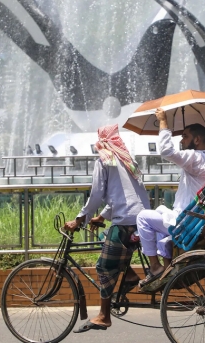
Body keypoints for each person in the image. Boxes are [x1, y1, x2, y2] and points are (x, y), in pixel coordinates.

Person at [65, 124, 150, 333]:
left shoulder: (105, 160)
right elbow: (121, 195)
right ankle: (129, 275)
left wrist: (79, 219)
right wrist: (101, 217)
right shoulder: (126, 159)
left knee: (103, 266)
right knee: (106, 236)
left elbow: (96, 195)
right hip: (140, 219)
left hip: (125, 223)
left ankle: (104, 316)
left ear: (101, 142)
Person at [136, 107, 205, 287]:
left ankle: (154, 267)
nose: (181, 141)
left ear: (197, 140)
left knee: (143, 218)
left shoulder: (196, 158)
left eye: (184, 136)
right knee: (161, 222)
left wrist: (163, 122)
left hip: (188, 223)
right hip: (199, 221)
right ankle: (169, 272)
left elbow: (167, 151)